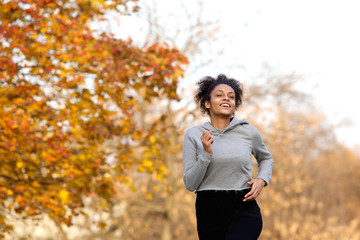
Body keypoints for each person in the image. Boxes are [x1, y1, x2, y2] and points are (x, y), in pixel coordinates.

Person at [182, 74, 273, 240]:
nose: (227, 98)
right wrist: (206, 153)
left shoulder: (249, 132)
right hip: (208, 210)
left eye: (231, 97)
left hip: (243, 206)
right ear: (207, 103)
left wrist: (261, 180)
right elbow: (190, 183)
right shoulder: (194, 135)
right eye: (219, 95)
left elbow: (266, 158)